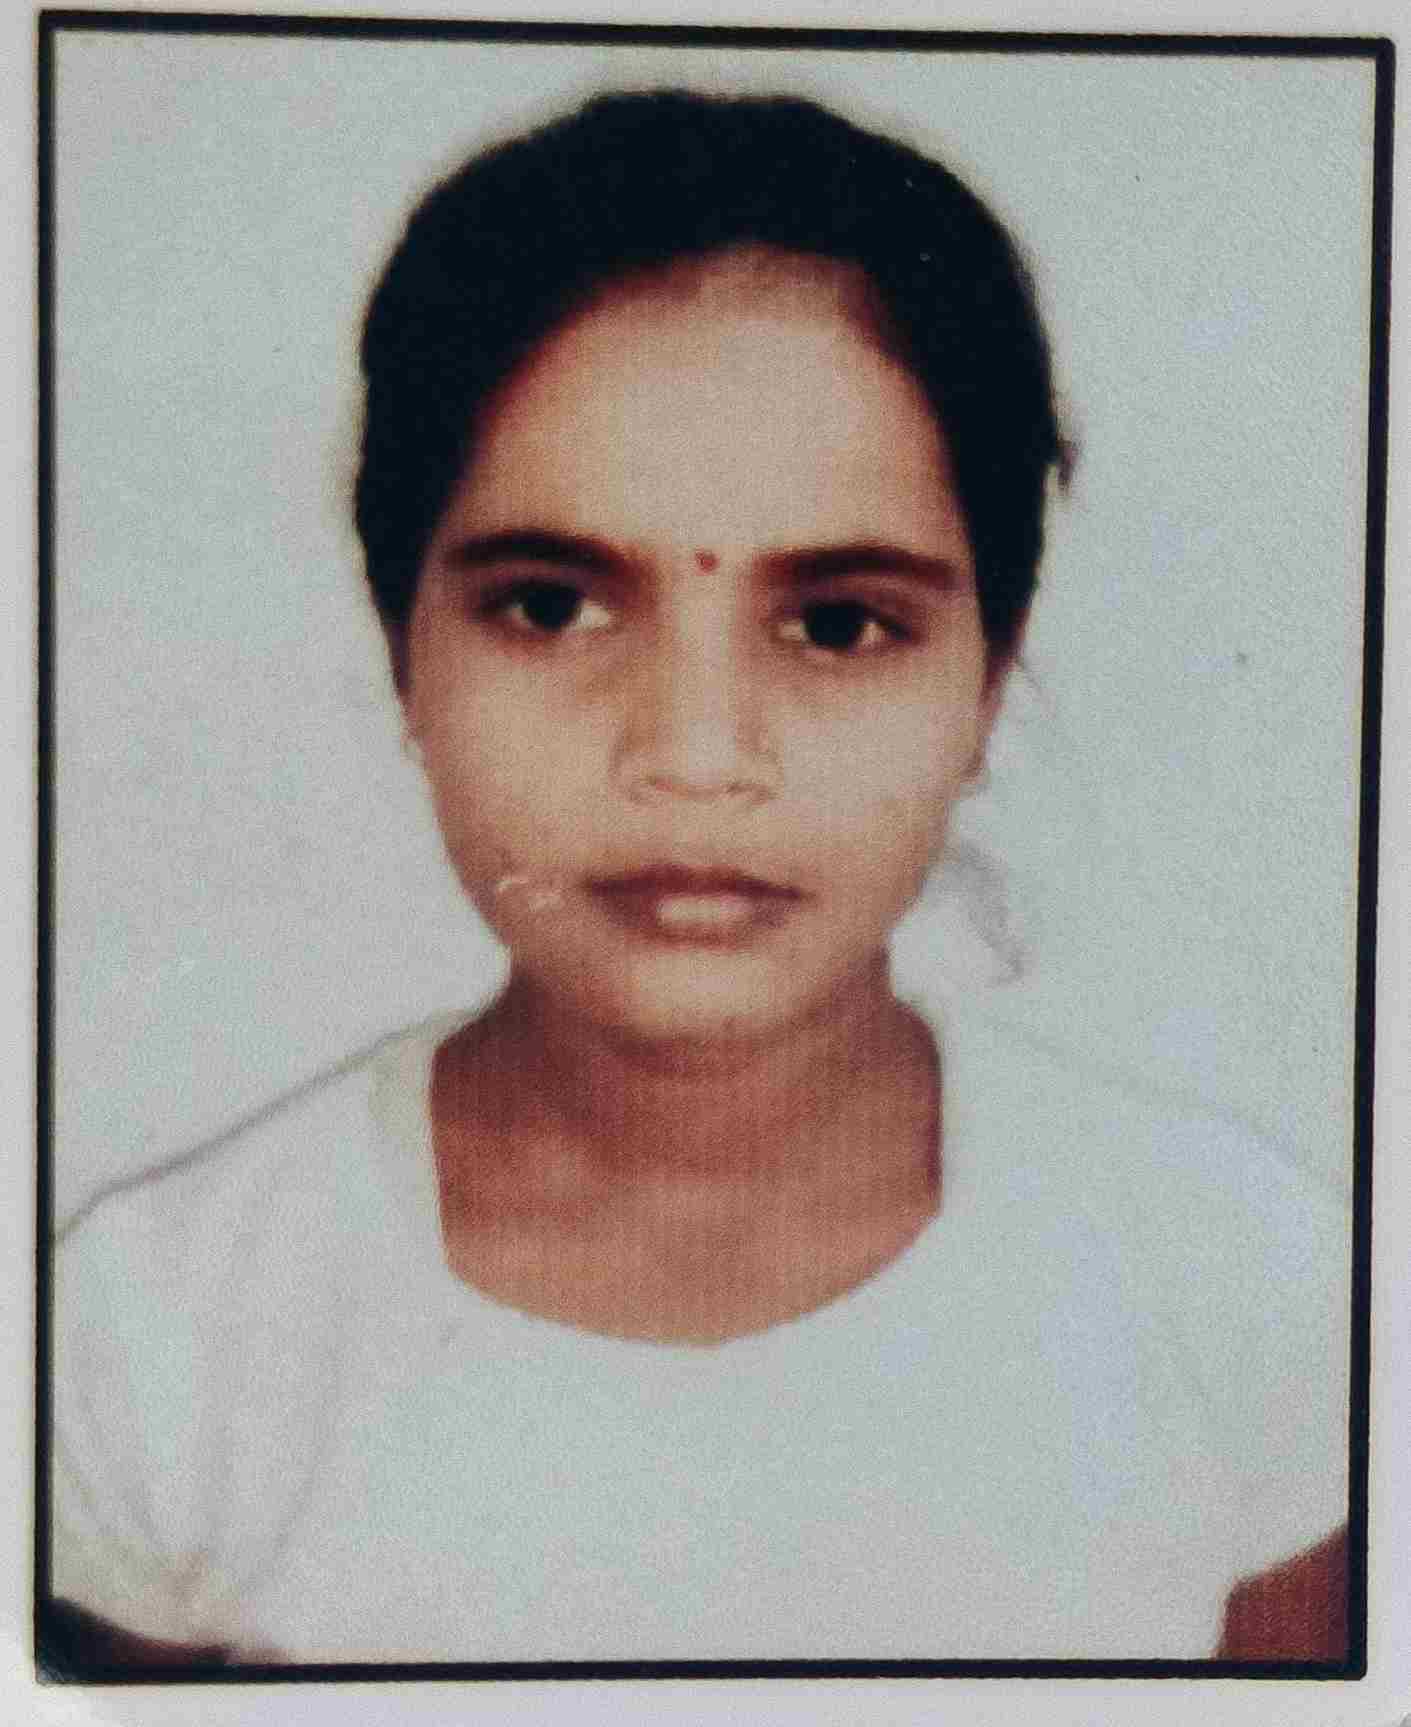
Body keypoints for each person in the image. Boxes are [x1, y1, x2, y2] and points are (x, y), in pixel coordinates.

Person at [47, 89, 1349, 1668]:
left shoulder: (1244, 1290)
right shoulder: (154, 1341)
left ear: (988, 679)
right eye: (551, 606)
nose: (697, 755)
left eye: (840, 624)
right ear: (405, 650)